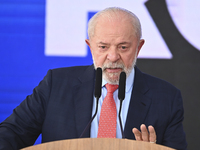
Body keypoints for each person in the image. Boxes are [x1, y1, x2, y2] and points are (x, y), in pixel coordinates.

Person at [0, 7, 187, 150]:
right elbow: (11, 134)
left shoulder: (167, 98)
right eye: (103, 47)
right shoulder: (55, 84)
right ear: (90, 46)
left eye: (123, 47)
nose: (113, 57)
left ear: (138, 47)